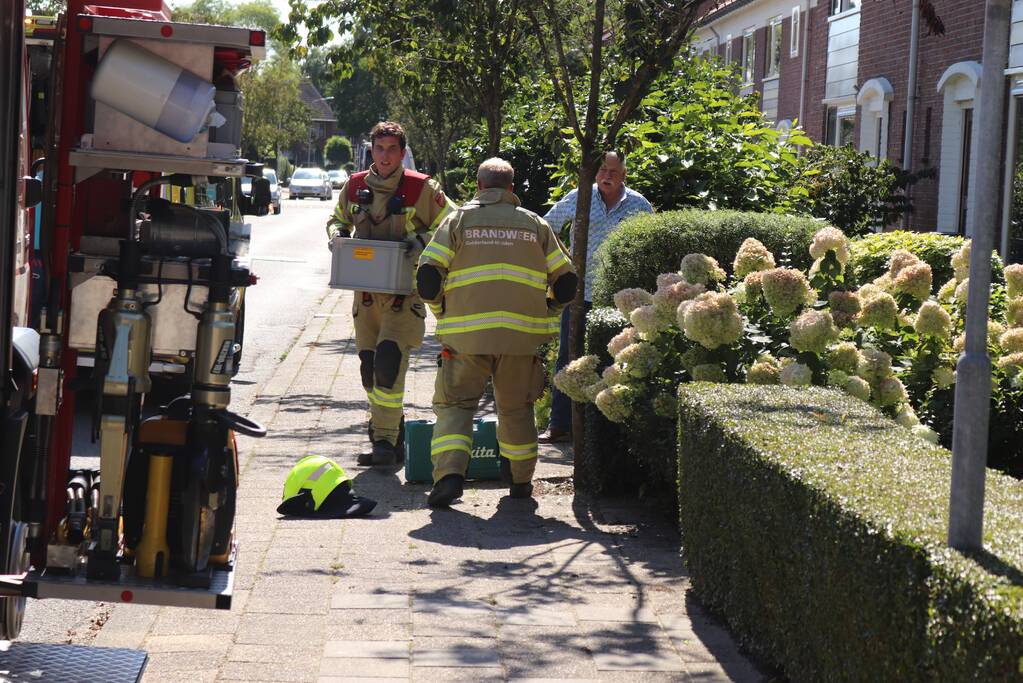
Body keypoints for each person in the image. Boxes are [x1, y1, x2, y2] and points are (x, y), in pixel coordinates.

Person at [416, 158, 577, 507]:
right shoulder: (535, 225)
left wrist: (441, 311)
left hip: (465, 338)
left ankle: (449, 477)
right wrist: (547, 312)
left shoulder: (457, 221)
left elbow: (427, 278)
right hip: (520, 339)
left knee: (456, 406)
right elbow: (566, 282)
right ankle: (520, 482)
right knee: (517, 409)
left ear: (478, 186)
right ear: (511, 189)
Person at [326, 121, 455, 466]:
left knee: (388, 361)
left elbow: (452, 224)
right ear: (371, 150)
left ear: (402, 153)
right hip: (366, 296)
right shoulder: (355, 186)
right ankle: (392, 432)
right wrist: (337, 235)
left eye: (391, 150)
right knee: (370, 368)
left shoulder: (421, 188)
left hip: (405, 295)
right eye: (379, 149)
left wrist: (421, 242)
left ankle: (383, 441)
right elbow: (336, 219)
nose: (384, 157)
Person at [538, 151, 653, 443]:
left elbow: (649, 245)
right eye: (602, 170)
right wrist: (562, 260)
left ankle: (605, 430)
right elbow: (546, 227)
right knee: (568, 355)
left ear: (624, 175)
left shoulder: (639, 205)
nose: (606, 176)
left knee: (614, 358)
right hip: (580, 292)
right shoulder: (581, 197)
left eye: (613, 171)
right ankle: (560, 424)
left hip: (617, 294)